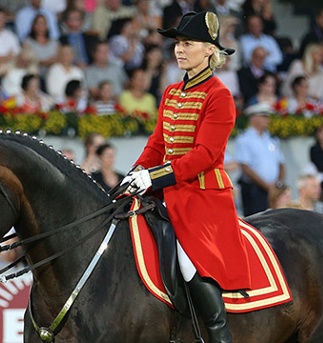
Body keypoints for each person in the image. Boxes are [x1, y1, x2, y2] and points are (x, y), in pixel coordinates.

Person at [121, 12, 251, 342]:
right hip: (169, 188)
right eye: (178, 44)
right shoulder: (171, 92)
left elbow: (205, 155)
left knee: (191, 259)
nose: (179, 50)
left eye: (188, 44)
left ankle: (219, 333)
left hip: (202, 195)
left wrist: (154, 178)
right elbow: (158, 143)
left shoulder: (219, 95)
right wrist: (136, 173)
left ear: (209, 50)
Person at [235, 102, 285, 216]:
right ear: (253, 117)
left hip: (274, 190)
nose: (267, 120)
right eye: (264, 116)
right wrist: (267, 186)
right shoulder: (244, 139)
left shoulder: (271, 139)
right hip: (255, 190)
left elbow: (281, 163)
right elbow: (245, 167)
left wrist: (279, 184)